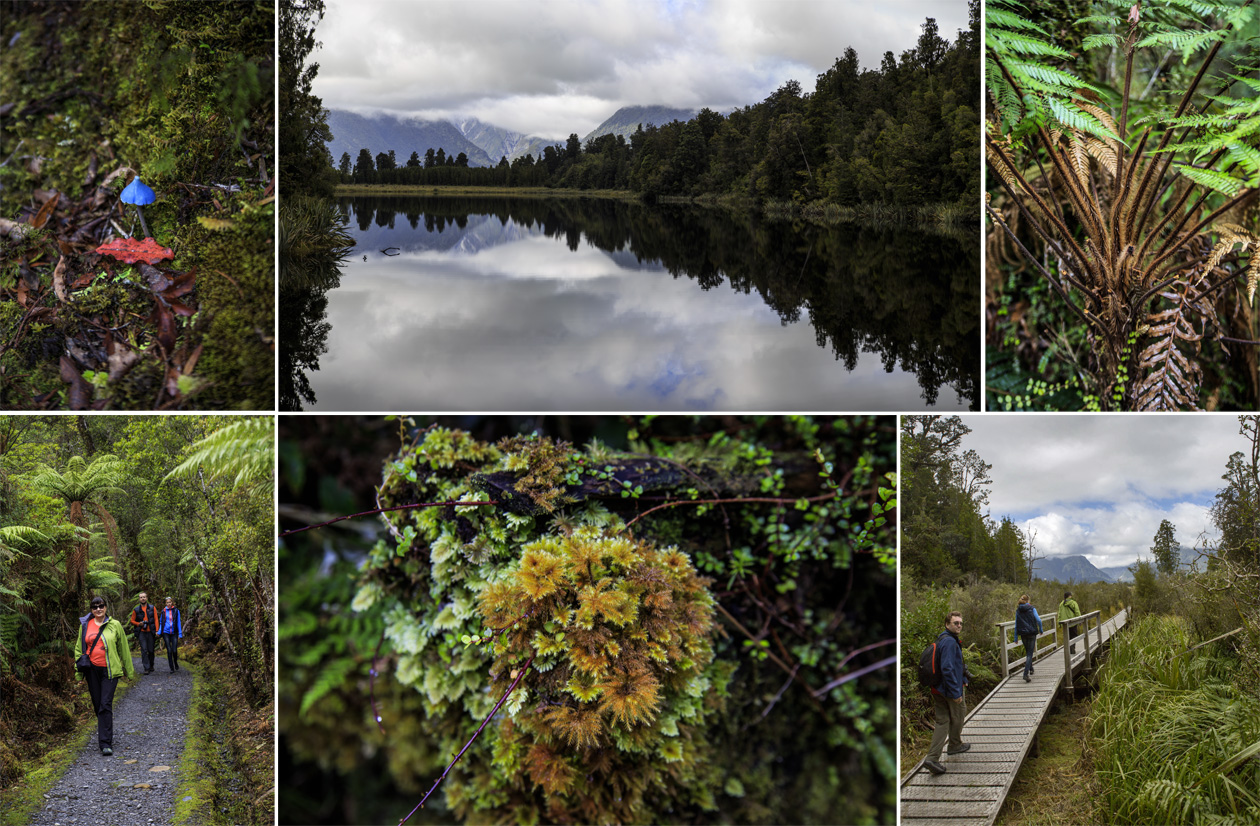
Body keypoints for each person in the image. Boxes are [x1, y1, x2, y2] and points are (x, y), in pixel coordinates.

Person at [74, 595, 136, 755]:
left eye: (101, 606)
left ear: (106, 608)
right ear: (91, 610)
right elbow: (78, 649)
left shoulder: (115, 625)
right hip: (91, 670)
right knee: (97, 704)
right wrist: (79, 674)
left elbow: (124, 649)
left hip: (110, 670)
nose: (98, 609)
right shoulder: (85, 626)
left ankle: (105, 743)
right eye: (94, 607)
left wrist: (129, 672)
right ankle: (105, 730)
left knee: (105, 704)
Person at [923, 611, 969, 776]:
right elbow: (947, 669)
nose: (959, 626)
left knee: (942, 722)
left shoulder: (942, 639)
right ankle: (955, 744)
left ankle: (932, 758)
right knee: (959, 714)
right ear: (947, 624)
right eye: (955, 623)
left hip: (937, 688)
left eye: (960, 623)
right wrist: (956, 692)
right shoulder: (949, 642)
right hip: (949, 688)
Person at [1015, 594, 1043, 683]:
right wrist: (1041, 629)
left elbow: (1016, 624)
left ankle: (1031, 669)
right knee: (1030, 654)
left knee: (1028, 652)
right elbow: (1038, 620)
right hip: (1031, 633)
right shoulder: (1032, 608)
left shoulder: (1018, 610)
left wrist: (1016, 637)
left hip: (1023, 634)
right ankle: (1025, 674)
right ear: (1028, 601)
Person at [129, 592, 158, 674]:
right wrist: (139, 624)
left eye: (144, 597)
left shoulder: (152, 608)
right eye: (141, 597)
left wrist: (157, 630)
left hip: (150, 632)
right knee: (144, 650)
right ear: (139, 599)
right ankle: (146, 668)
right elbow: (132, 620)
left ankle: (151, 665)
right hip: (142, 632)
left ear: (147, 598)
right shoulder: (136, 610)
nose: (143, 598)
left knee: (151, 650)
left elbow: (156, 619)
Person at [159, 596, 183, 672]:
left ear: (172, 602)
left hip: (174, 632)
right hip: (166, 632)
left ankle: (175, 662)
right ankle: (171, 667)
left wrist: (180, 633)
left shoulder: (176, 610)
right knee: (169, 650)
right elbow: (161, 622)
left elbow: (178, 622)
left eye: (170, 602)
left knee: (174, 650)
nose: (168, 604)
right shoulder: (163, 611)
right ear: (165, 603)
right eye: (167, 602)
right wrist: (160, 631)